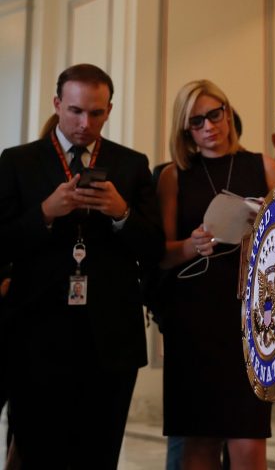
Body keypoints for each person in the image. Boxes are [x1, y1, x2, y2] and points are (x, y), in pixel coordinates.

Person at [0, 63, 165, 468]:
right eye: (75, 110)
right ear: (57, 104)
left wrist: (122, 212)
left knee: (98, 453)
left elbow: (155, 247)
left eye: (96, 112)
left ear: (109, 110)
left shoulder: (131, 164)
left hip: (109, 337)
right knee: (38, 451)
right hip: (36, 333)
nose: (84, 123)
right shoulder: (18, 162)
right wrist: (44, 212)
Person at [157, 79, 275, 470]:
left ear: (228, 113)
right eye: (197, 122)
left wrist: (267, 224)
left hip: (249, 319)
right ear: (186, 130)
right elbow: (159, 255)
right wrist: (192, 245)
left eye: (215, 114)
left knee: (249, 442)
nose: (209, 126)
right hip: (194, 319)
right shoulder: (173, 176)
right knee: (198, 443)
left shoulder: (263, 165)